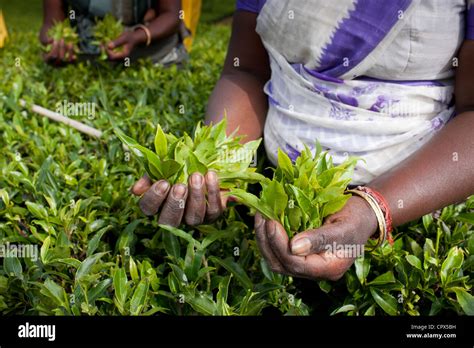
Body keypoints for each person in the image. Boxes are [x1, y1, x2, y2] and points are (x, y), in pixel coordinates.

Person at [132, 0, 474, 281]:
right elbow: (245, 69)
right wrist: (220, 168)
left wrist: (372, 210)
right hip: (277, 182)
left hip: (420, 201)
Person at [40, 0, 188, 66]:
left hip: (154, 57)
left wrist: (138, 36)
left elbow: (172, 15)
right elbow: (50, 22)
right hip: (89, 59)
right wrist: (54, 42)